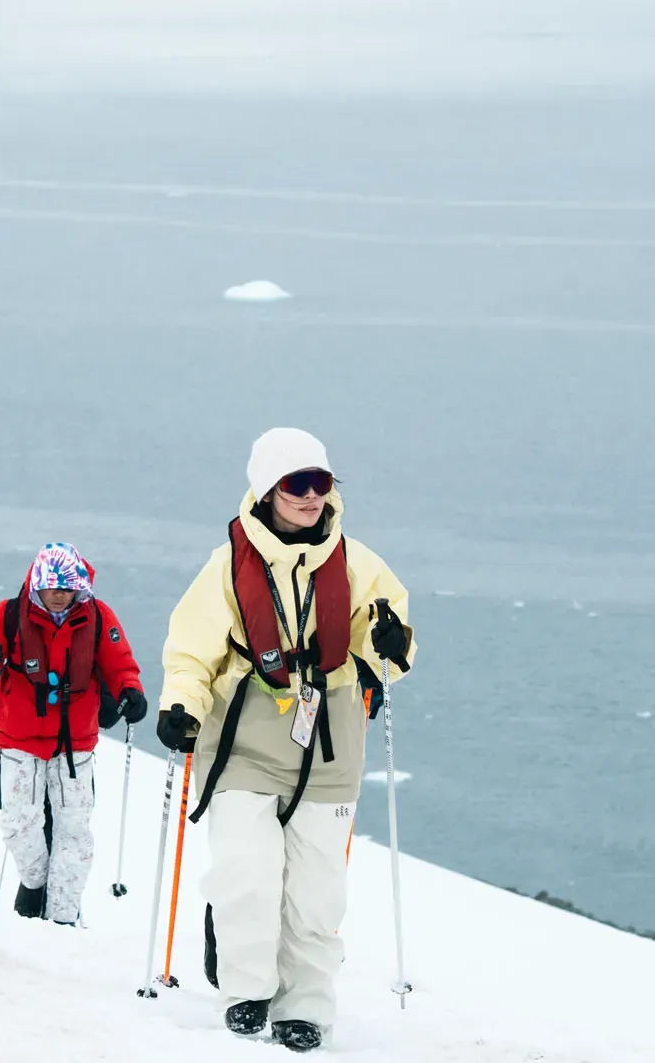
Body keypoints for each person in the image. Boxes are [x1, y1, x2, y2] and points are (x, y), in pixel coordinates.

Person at [157, 428, 413, 1052]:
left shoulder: (360, 565)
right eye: (296, 484)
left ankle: (304, 1007)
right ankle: (247, 990)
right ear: (268, 489)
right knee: (248, 871)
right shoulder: (227, 567)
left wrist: (392, 647)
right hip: (244, 733)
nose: (309, 496)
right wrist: (181, 707)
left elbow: (391, 640)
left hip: (329, 739)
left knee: (316, 890)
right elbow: (191, 651)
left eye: (320, 483)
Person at [0, 542, 147, 925]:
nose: (59, 596)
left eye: (67, 588)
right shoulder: (9, 615)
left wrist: (131, 692)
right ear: (37, 586)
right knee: (19, 824)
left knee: (74, 831)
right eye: (52, 588)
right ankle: (34, 884)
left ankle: (62, 916)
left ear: (79, 587)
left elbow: (120, 664)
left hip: (76, 747)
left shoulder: (98, 616)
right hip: (18, 743)